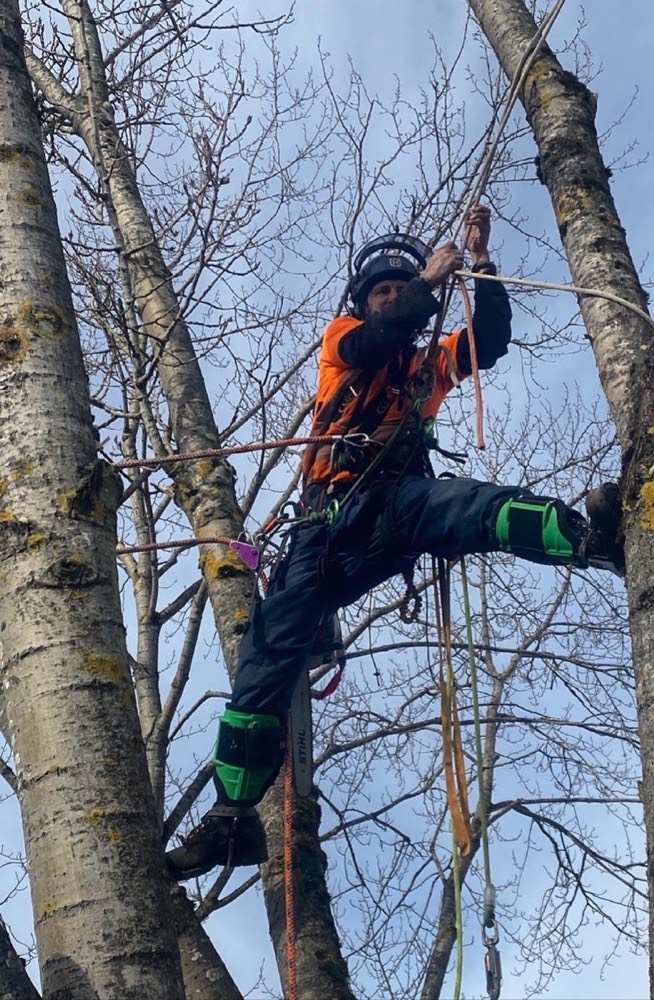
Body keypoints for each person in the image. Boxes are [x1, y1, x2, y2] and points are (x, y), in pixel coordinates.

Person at [166, 206, 623, 879]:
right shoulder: (345, 339)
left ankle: (590, 541)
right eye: (383, 290)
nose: (392, 299)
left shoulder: (425, 365)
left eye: (399, 288)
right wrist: (427, 284)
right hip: (324, 525)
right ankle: (231, 818)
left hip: (393, 504)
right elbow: (372, 341)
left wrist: (483, 266)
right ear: (366, 300)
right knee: (268, 654)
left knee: (472, 507)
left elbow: (487, 343)